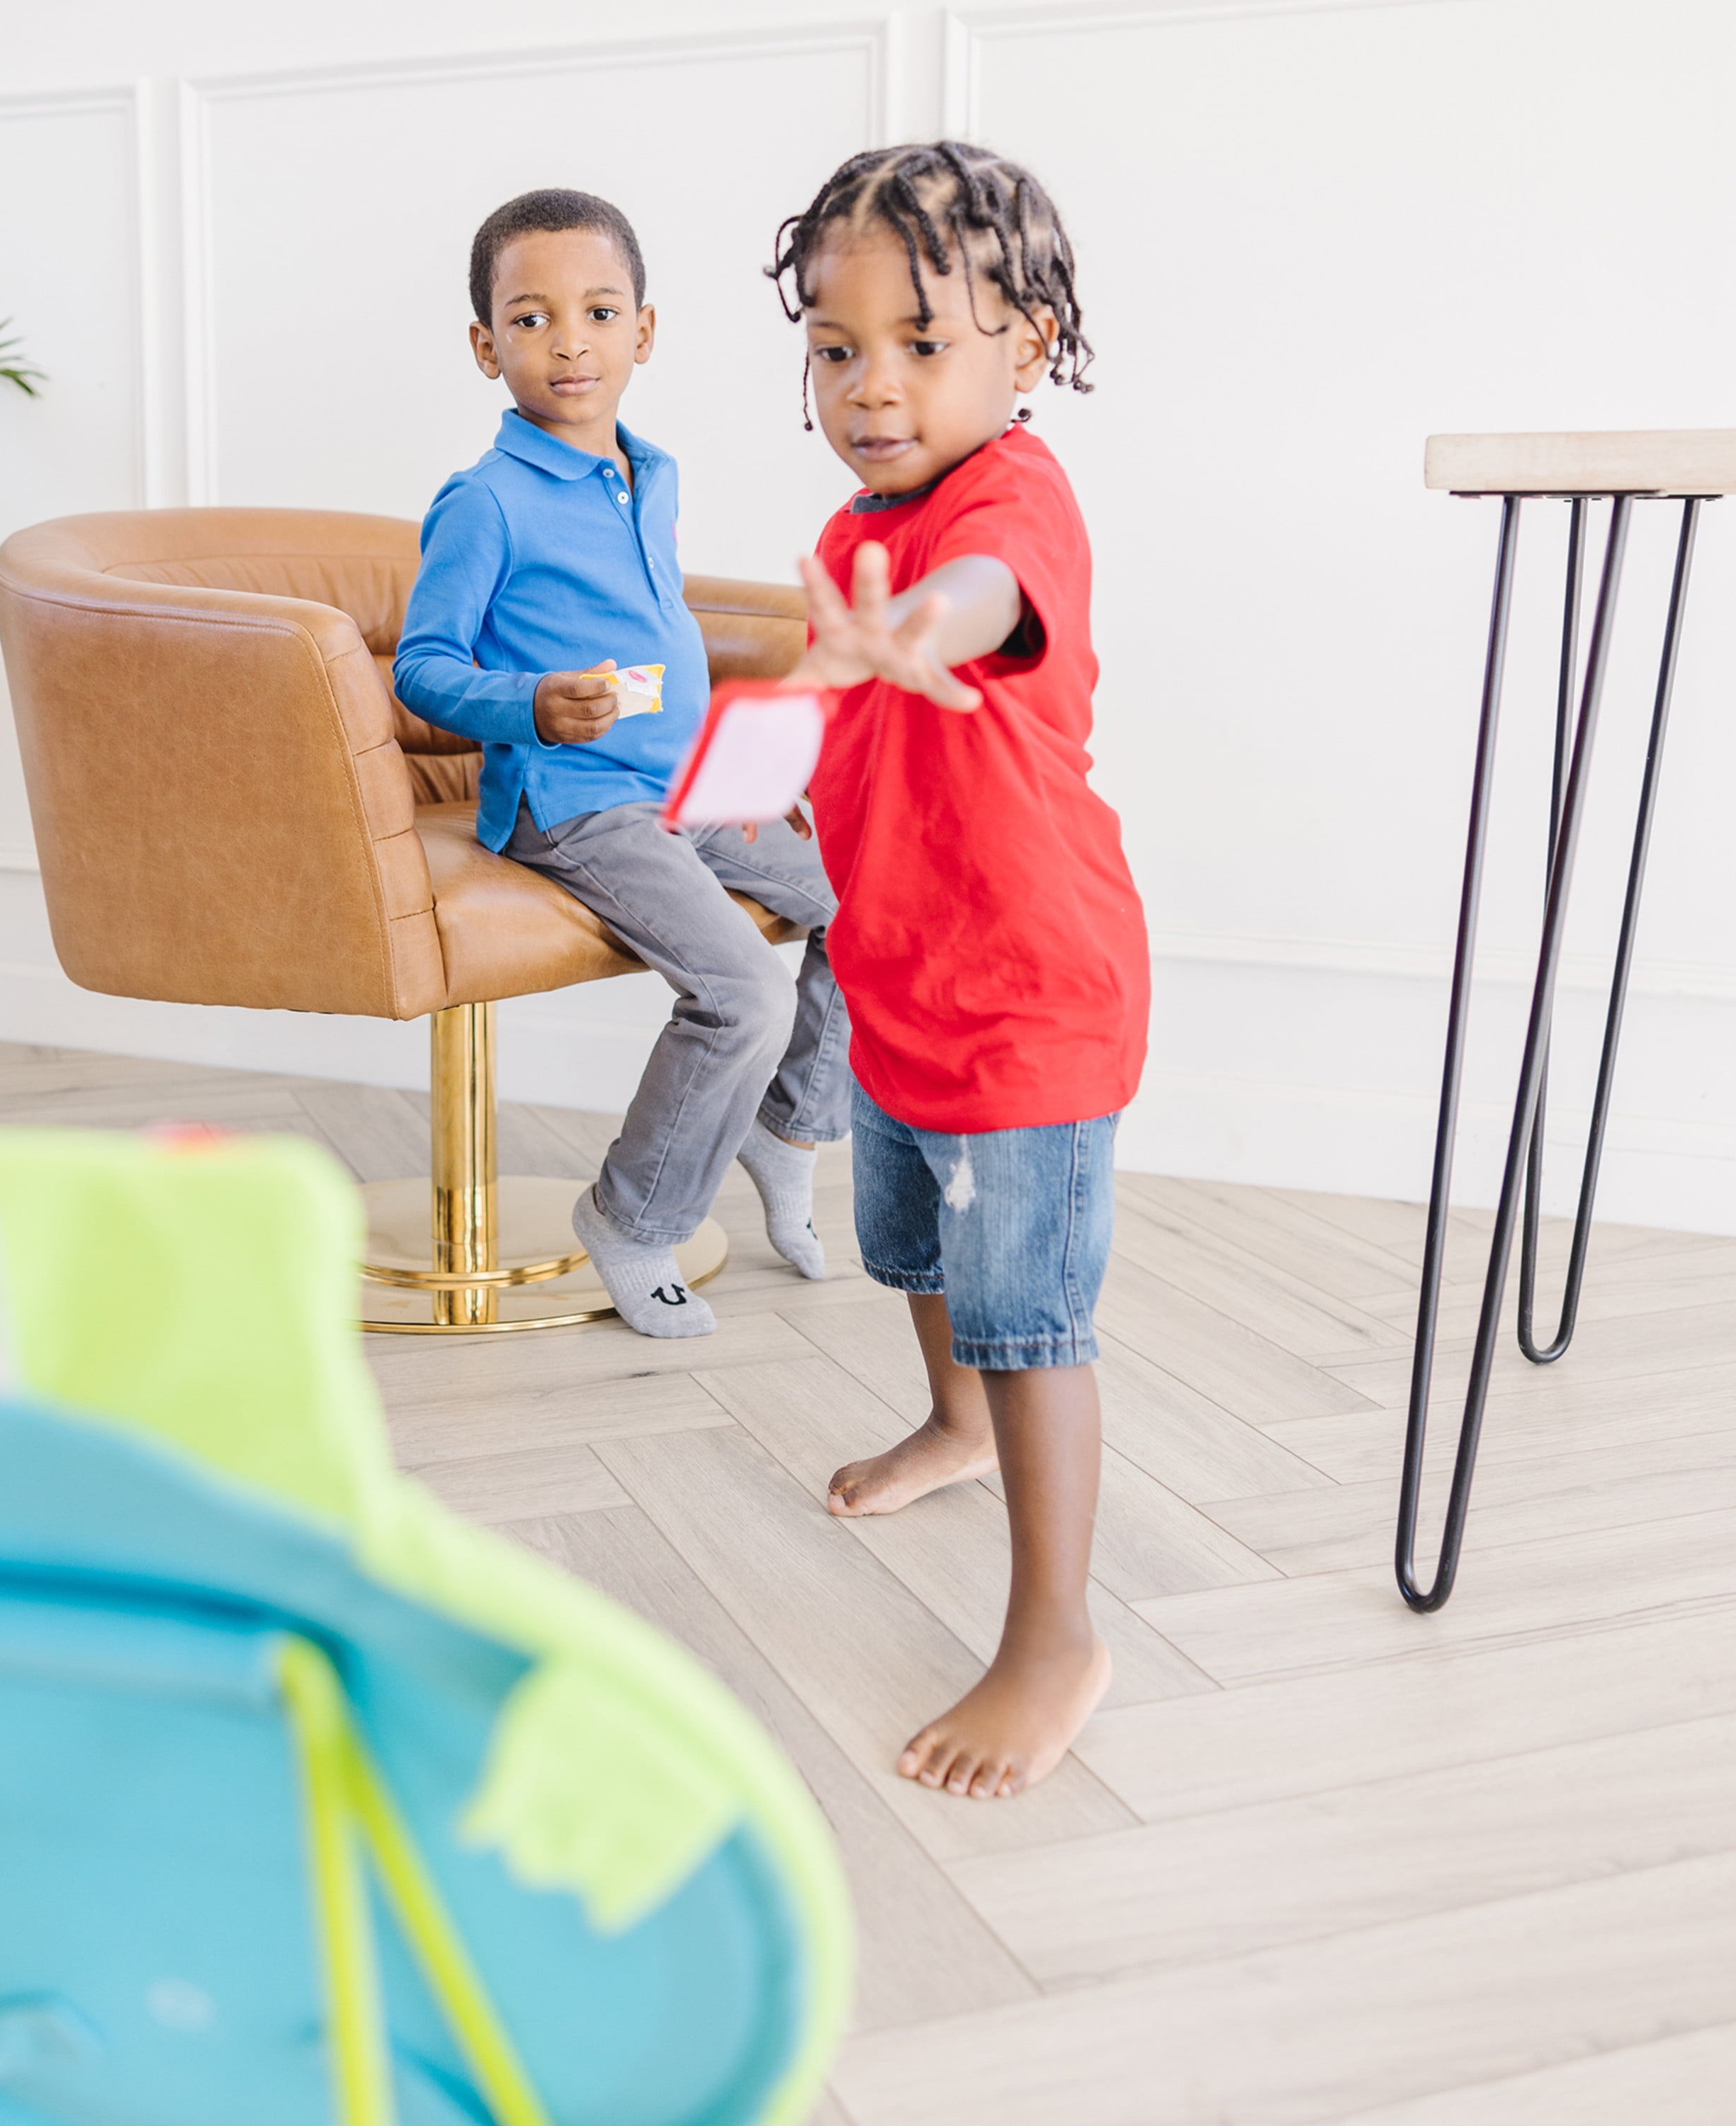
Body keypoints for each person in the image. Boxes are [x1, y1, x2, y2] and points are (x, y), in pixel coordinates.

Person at [770, 143, 1151, 1799]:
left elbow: (981, 600)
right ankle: (956, 1422)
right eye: (837, 347)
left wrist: (920, 624)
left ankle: (1055, 1633)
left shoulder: (1009, 505)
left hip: (1027, 1002)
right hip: (901, 978)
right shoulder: (854, 526)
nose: (873, 385)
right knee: (911, 1242)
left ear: (1030, 341)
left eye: (922, 344)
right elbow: (848, 711)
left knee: (1027, 1315)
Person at [393, 189, 850, 1339]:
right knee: (743, 993)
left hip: (689, 789)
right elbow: (423, 668)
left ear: (643, 332)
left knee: (873, 896)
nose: (569, 342)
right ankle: (635, 1219)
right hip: (577, 800)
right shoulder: (485, 503)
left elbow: (659, 638)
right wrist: (532, 706)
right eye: (532, 319)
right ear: (485, 346)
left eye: (599, 313)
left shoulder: (654, 475)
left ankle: (787, 1130)